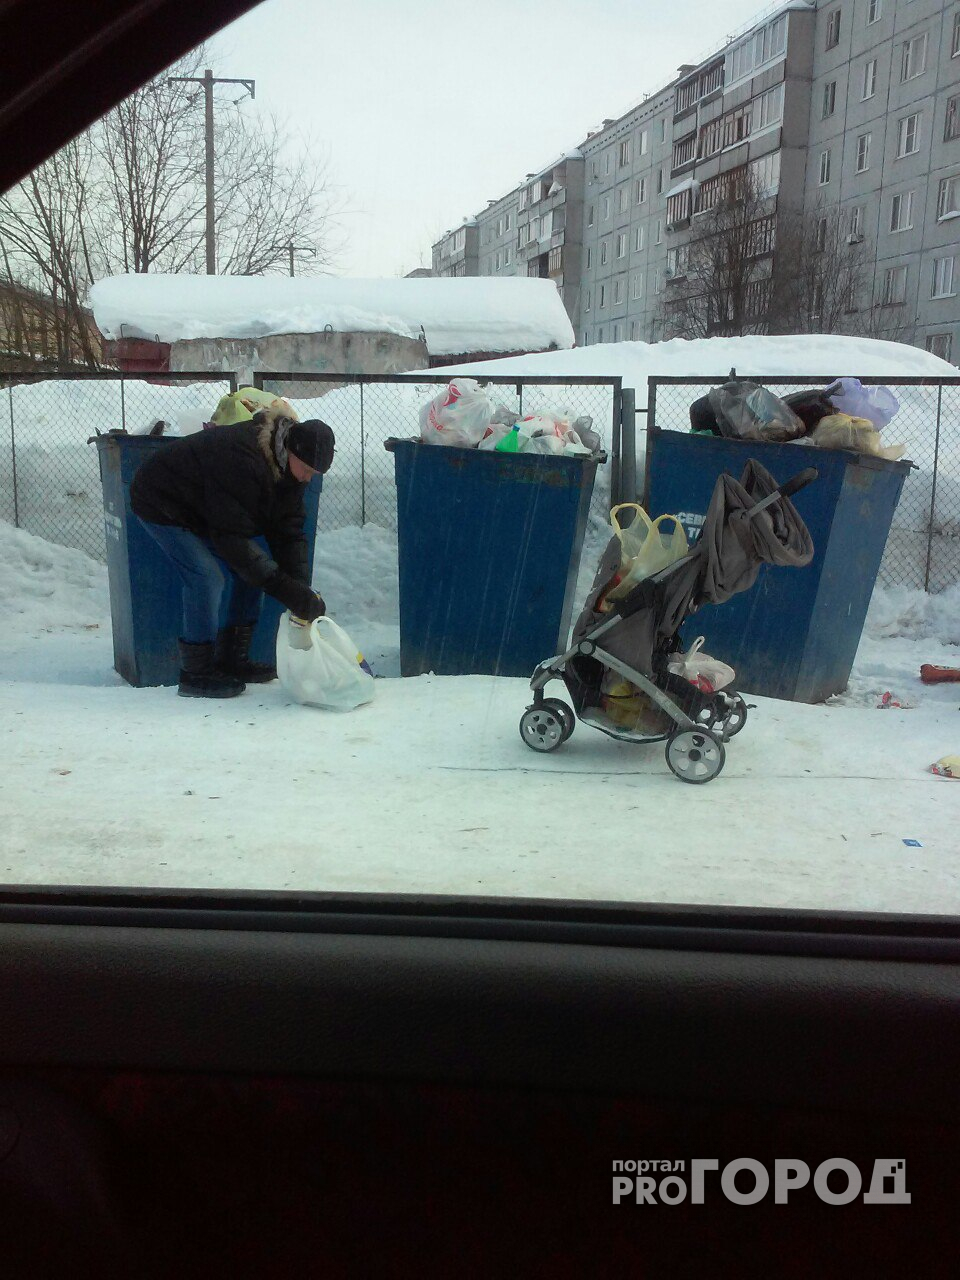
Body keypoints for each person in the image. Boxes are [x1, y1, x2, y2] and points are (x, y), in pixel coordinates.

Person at [130, 406, 334, 699]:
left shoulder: (288, 468)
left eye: (314, 474)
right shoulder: (243, 459)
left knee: (251, 572)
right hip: (162, 500)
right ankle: (195, 673)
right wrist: (285, 589)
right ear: (291, 450)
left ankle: (231, 659)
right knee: (206, 577)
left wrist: (300, 590)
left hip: (206, 508)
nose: (307, 479)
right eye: (307, 470)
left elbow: (288, 530)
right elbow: (231, 540)